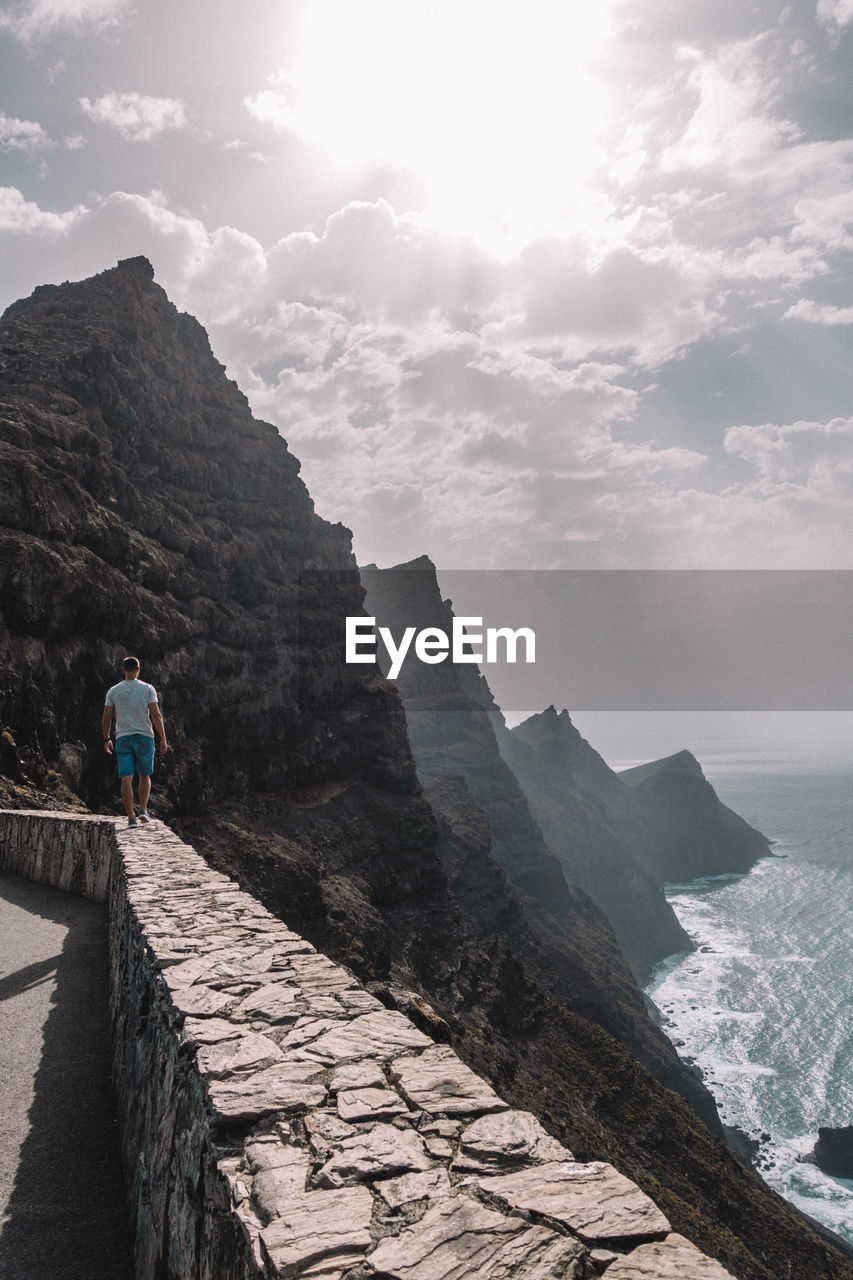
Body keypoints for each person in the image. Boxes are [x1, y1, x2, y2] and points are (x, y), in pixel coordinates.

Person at [102, 656, 168, 827]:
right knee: (144, 775)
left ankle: (131, 817)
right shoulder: (148, 689)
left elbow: (106, 718)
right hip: (145, 736)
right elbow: (156, 714)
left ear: (123, 670)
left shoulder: (113, 691)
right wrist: (163, 738)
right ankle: (143, 809)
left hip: (123, 737)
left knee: (126, 778)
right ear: (138, 669)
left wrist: (107, 738)